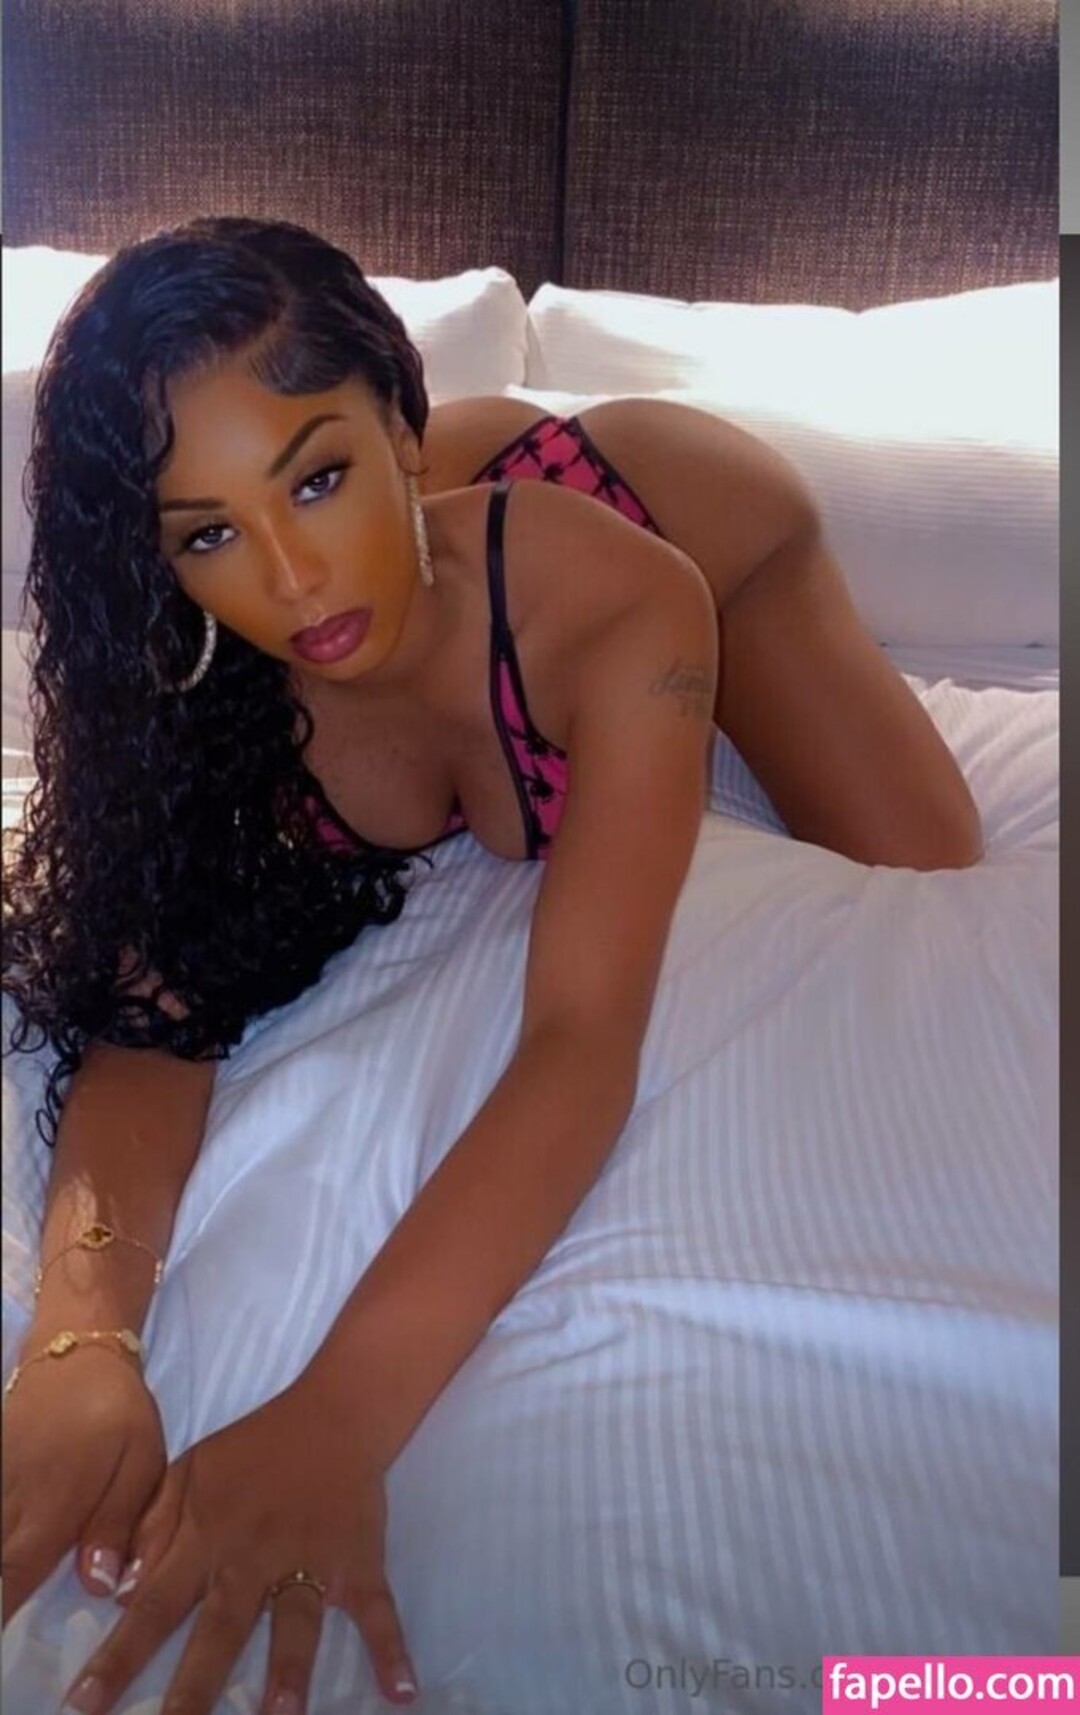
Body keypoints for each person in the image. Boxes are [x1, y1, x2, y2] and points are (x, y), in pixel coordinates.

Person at [0, 216, 982, 1713]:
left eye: (316, 477)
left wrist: (338, 1417)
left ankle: (499, 470)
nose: (289, 580)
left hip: (680, 514)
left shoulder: (626, 601)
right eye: (205, 533)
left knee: (925, 862)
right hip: (460, 516)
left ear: (396, 427)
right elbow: (156, 1017)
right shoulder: (202, 674)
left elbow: (580, 1039)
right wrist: (80, 1341)